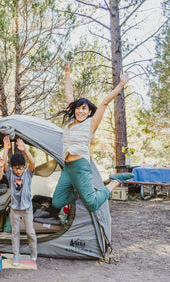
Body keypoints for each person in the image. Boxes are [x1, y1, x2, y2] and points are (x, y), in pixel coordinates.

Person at [52, 59, 134, 212]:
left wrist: (121, 85)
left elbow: (104, 102)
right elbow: (69, 93)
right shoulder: (71, 121)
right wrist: (67, 72)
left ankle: (114, 182)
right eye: (78, 108)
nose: (80, 111)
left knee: (92, 204)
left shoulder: (90, 124)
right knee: (57, 202)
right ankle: (79, 190)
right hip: (67, 168)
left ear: (89, 112)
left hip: (80, 167)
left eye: (84, 109)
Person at [2, 136, 37, 266]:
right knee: (14, 233)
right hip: (15, 209)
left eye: (20, 168)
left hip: (27, 208)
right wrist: (6, 149)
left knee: (30, 231)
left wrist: (25, 150)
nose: (18, 171)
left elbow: (33, 162)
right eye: (16, 168)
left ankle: (33, 250)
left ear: (24, 166)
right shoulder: (10, 173)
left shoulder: (28, 173)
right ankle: (15, 254)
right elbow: (3, 164)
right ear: (12, 168)